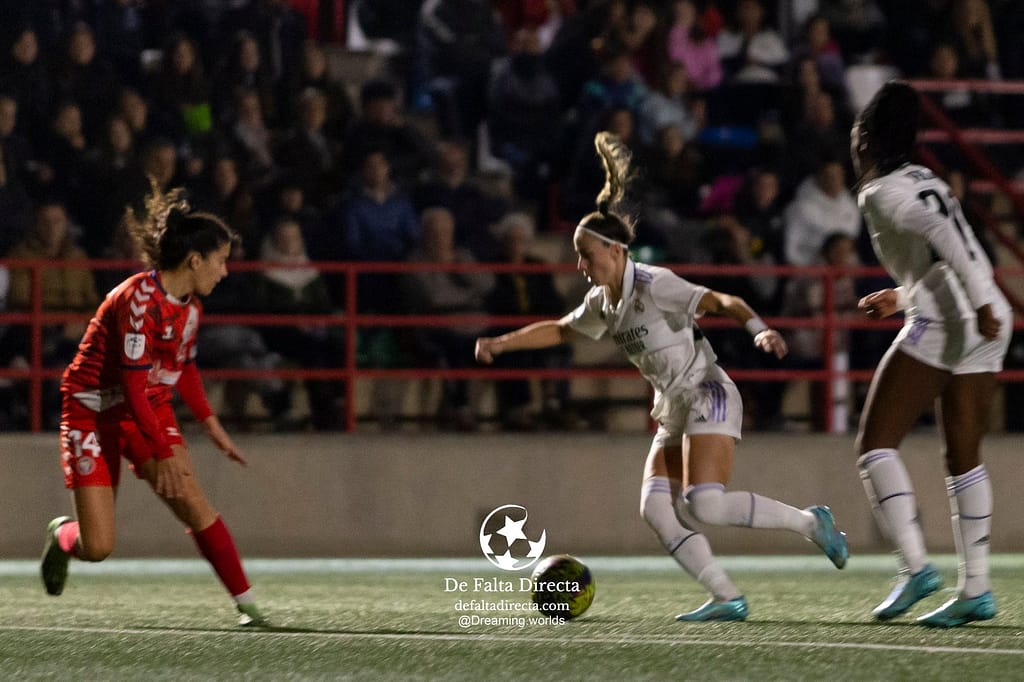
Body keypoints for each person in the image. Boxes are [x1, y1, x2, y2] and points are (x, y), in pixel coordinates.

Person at [475, 132, 848, 621]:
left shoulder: (656, 284)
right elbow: (562, 332)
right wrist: (502, 343)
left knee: (704, 505)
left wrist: (758, 330)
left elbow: (722, 301)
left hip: (706, 391)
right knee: (655, 509)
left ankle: (809, 523)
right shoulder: (603, 302)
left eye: (588, 255)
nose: (582, 266)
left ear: (616, 251)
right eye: (578, 256)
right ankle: (725, 596)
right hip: (672, 407)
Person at [39, 180, 268, 627]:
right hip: (91, 411)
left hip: (147, 405)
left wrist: (210, 424)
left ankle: (250, 608)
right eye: (221, 261)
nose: (225, 272)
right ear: (195, 259)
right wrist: (162, 452)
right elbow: (129, 386)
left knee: (194, 501)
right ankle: (64, 536)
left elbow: (181, 368)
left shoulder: (190, 308)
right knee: (99, 546)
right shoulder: (136, 301)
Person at [850, 80, 1011, 627]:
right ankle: (976, 588)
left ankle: (916, 567)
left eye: (856, 136)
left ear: (867, 139)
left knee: (875, 444)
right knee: (963, 455)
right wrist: (902, 295)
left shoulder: (879, 192)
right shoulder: (926, 178)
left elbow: (943, 234)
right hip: (984, 313)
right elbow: (945, 248)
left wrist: (976, 303)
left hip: (954, 316)